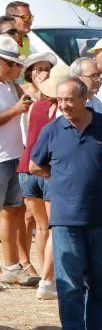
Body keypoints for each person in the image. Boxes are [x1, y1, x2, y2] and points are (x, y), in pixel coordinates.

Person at [29, 77, 102, 330]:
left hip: (101, 217)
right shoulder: (52, 130)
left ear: (84, 98)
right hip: (66, 218)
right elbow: (35, 165)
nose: (64, 105)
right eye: (60, 100)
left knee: (100, 281)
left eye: (69, 99)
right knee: (69, 283)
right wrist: (61, 180)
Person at [18, 65, 67, 299]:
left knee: (40, 227)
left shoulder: (34, 107)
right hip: (47, 170)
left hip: (26, 167)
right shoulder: (59, 110)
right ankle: (48, 280)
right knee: (51, 228)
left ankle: (44, 273)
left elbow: (27, 135)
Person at [0, 35, 33, 287]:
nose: (17, 69)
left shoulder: (11, 85)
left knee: (11, 213)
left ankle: (11, 266)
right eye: (13, 64)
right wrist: (16, 110)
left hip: (13, 156)